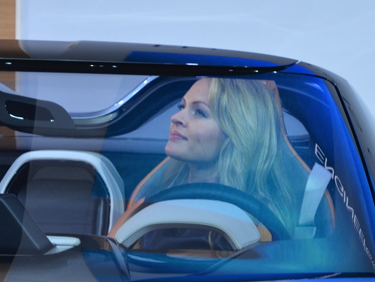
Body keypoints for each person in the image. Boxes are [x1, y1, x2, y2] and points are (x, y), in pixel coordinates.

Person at [125, 77, 307, 234]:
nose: (176, 117)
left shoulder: (263, 223)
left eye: (199, 112)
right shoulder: (153, 200)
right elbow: (113, 249)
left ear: (236, 132)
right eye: (182, 106)